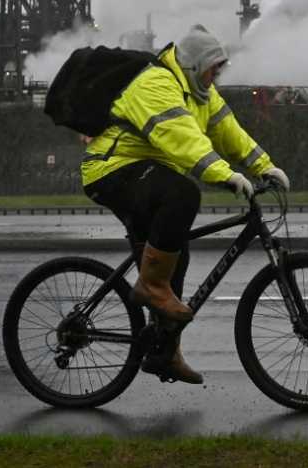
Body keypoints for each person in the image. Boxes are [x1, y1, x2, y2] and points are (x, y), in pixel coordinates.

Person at [82, 25, 290, 385]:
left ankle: (164, 351)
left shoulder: (201, 93)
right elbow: (182, 137)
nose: (216, 76)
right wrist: (223, 174)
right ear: (195, 65)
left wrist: (263, 165)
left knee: (175, 253)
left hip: (145, 173)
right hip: (112, 170)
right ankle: (150, 286)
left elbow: (229, 131)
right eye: (213, 68)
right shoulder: (156, 83)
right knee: (183, 193)